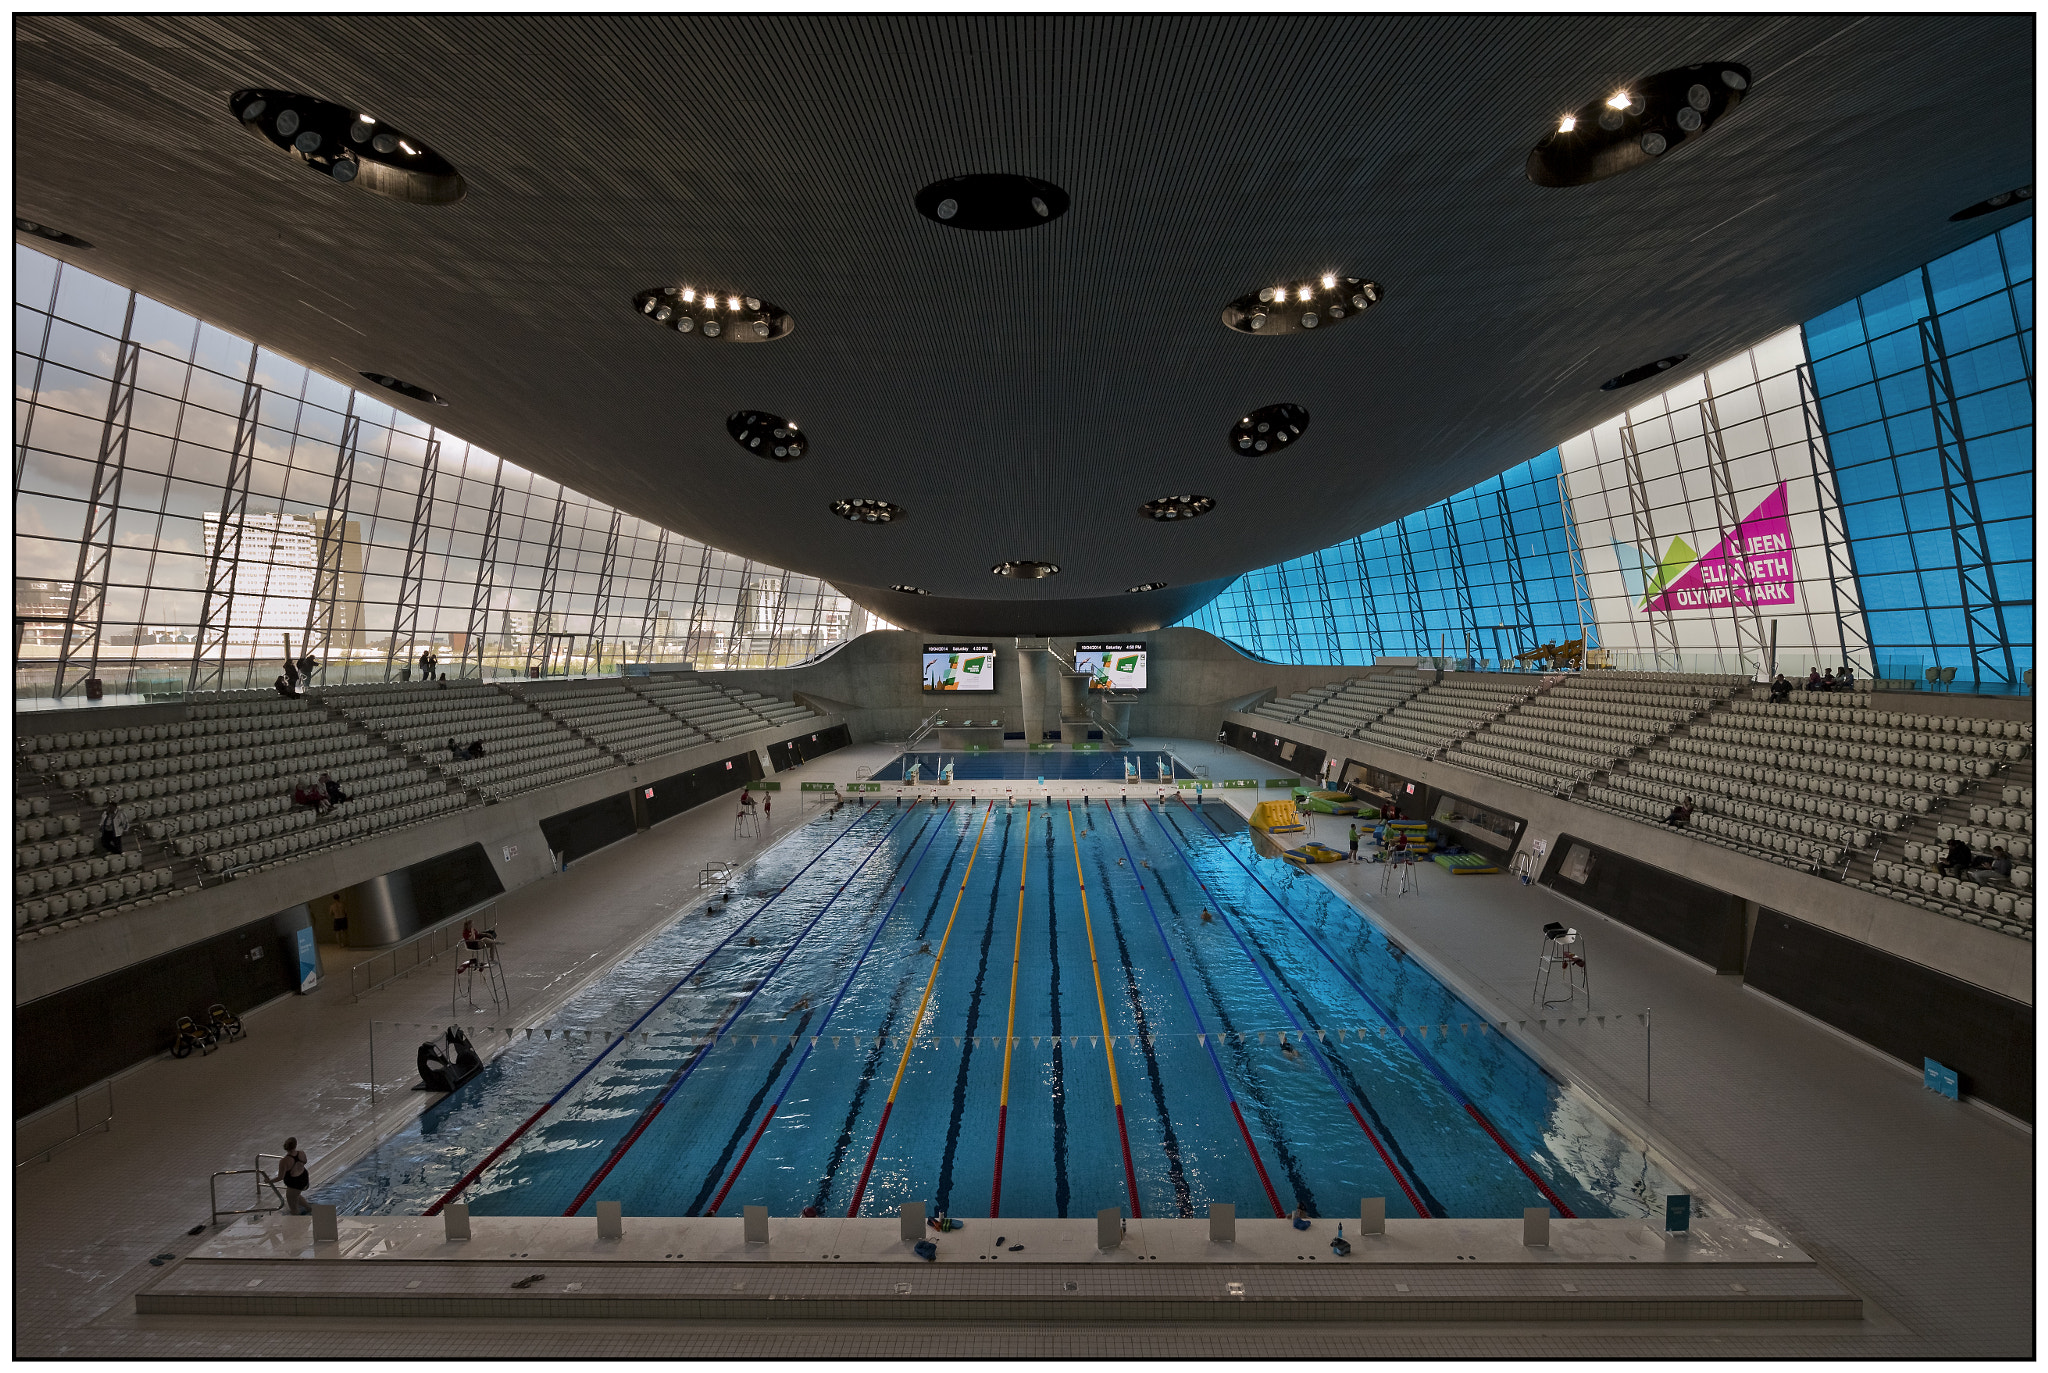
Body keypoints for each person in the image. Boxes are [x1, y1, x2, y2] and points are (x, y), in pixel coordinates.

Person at [269, 1138, 312, 1216]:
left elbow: (280, 1177)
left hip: (294, 1184)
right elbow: (305, 1162)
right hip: (304, 1179)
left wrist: (269, 1181)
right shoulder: (301, 1153)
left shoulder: (284, 1161)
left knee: (293, 1208)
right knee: (296, 1195)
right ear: (295, 1145)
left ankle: (297, 1223)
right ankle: (309, 1208)